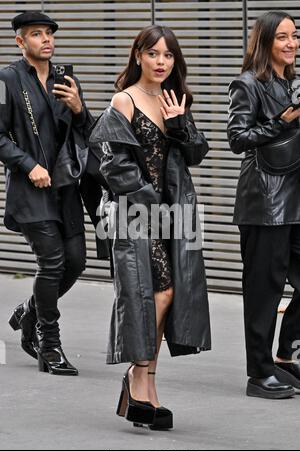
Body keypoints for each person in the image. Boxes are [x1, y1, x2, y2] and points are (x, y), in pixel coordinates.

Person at [89, 25, 211, 429]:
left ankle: (146, 384)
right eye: (154, 54)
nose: (161, 62)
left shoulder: (175, 99)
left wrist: (179, 124)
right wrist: (148, 199)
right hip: (135, 213)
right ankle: (137, 375)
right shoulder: (123, 100)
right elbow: (112, 164)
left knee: (170, 295)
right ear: (138, 55)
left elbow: (195, 154)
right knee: (158, 294)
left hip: (174, 214)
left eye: (169, 55)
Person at [0, 11, 93, 375]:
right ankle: (48, 345)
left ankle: (28, 311)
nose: (46, 39)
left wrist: (79, 108)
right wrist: (28, 164)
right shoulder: (6, 79)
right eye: (36, 34)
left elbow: (87, 131)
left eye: (49, 33)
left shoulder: (65, 80)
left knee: (76, 261)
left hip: (66, 186)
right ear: (20, 42)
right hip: (30, 188)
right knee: (52, 263)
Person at [227, 10, 300, 399]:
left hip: (297, 198)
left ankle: (285, 356)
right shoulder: (247, 84)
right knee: (263, 291)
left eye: (295, 36)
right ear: (266, 42)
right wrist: (283, 121)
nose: (291, 43)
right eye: (282, 37)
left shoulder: (294, 83)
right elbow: (237, 138)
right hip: (265, 202)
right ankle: (259, 372)